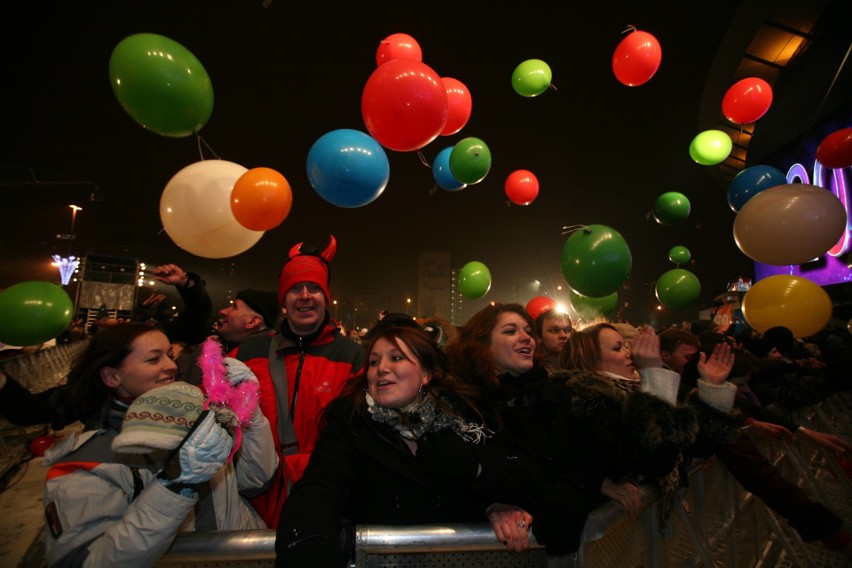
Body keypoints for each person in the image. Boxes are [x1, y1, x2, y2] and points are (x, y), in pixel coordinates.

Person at [276, 325, 539, 566]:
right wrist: (308, 541)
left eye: (396, 358)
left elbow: (523, 472)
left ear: (425, 373)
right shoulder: (350, 422)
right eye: (374, 361)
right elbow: (321, 486)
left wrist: (492, 501)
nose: (381, 368)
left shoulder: (465, 415)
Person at [42, 323, 278, 567]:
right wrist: (176, 485)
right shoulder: (92, 460)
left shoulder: (201, 420)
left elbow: (256, 481)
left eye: (170, 355)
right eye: (154, 359)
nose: (171, 366)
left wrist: (251, 413)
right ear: (112, 376)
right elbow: (88, 561)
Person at [659, 327, 852, 554]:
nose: (741, 392)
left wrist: (794, 429)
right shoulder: (677, 393)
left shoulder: (699, 398)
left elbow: (744, 410)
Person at [443, 303, 606, 557]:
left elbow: (579, 463)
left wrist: (559, 506)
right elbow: (449, 476)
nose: (526, 338)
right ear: (482, 344)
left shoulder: (554, 395)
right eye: (510, 331)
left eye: (528, 331)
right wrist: (489, 506)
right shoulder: (457, 403)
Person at [557, 323, 736, 525]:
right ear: (588, 360)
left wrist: (712, 389)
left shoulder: (637, 392)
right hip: (607, 533)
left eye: (626, 345)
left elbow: (698, 445)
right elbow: (653, 459)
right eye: (618, 348)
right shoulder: (588, 400)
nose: (629, 353)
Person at [257, 235, 367, 528]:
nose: (305, 295)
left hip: (322, 503)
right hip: (254, 503)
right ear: (283, 299)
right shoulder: (248, 354)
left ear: (325, 297)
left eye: (314, 288)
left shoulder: (354, 358)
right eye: (295, 289)